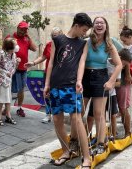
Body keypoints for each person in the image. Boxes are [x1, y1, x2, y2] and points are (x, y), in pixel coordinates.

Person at [43, 13, 93, 168]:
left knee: (77, 120)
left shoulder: (83, 43)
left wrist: (79, 81)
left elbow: (82, 63)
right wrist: (46, 84)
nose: (85, 33)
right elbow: (51, 63)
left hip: (72, 85)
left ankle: (87, 157)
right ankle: (66, 151)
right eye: (84, 30)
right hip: (56, 85)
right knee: (57, 120)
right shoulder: (57, 40)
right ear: (76, 25)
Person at [83, 16, 122, 155]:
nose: (99, 25)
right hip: (84, 77)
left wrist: (111, 81)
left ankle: (101, 142)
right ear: (93, 26)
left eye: (102, 23)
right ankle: (79, 140)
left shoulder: (109, 44)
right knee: (80, 112)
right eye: (97, 23)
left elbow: (119, 64)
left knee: (99, 114)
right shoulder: (86, 42)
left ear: (106, 26)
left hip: (101, 77)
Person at [26, 27, 63, 123]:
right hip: (48, 73)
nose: (54, 38)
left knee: (59, 95)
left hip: (61, 74)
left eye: (56, 36)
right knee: (47, 94)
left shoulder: (65, 46)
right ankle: (48, 114)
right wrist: (33, 63)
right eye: (53, 36)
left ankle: (58, 115)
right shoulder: (49, 45)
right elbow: (43, 57)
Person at [10, 21, 38, 117]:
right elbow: (4, 50)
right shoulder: (11, 38)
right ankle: (6, 108)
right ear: (18, 28)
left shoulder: (26, 39)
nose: (23, 31)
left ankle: (19, 108)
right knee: (9, 88)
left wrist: (29, 37)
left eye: (25, 30)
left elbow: (35, 48)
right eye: (22, 29)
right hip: (12, 68)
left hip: (23, 68)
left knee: (21, 89)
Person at [0, 37, 20, 126]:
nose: (17, 46)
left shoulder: (13, 55)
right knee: (1, 98)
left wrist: (14, 68)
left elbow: (14, 66)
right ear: (10, 46)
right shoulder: (1, 54)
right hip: (1, 78)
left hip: (9, 79)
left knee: (8, 98)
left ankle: (8, 116)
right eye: (15, 44)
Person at [116, 48, 132, 137]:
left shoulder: (113, 44)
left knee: (123, 108)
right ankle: (116, 131)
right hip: (118, 83)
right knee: (119, 109)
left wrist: (127, 74)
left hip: (122, 83)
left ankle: (128, 132)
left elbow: (127, 61)